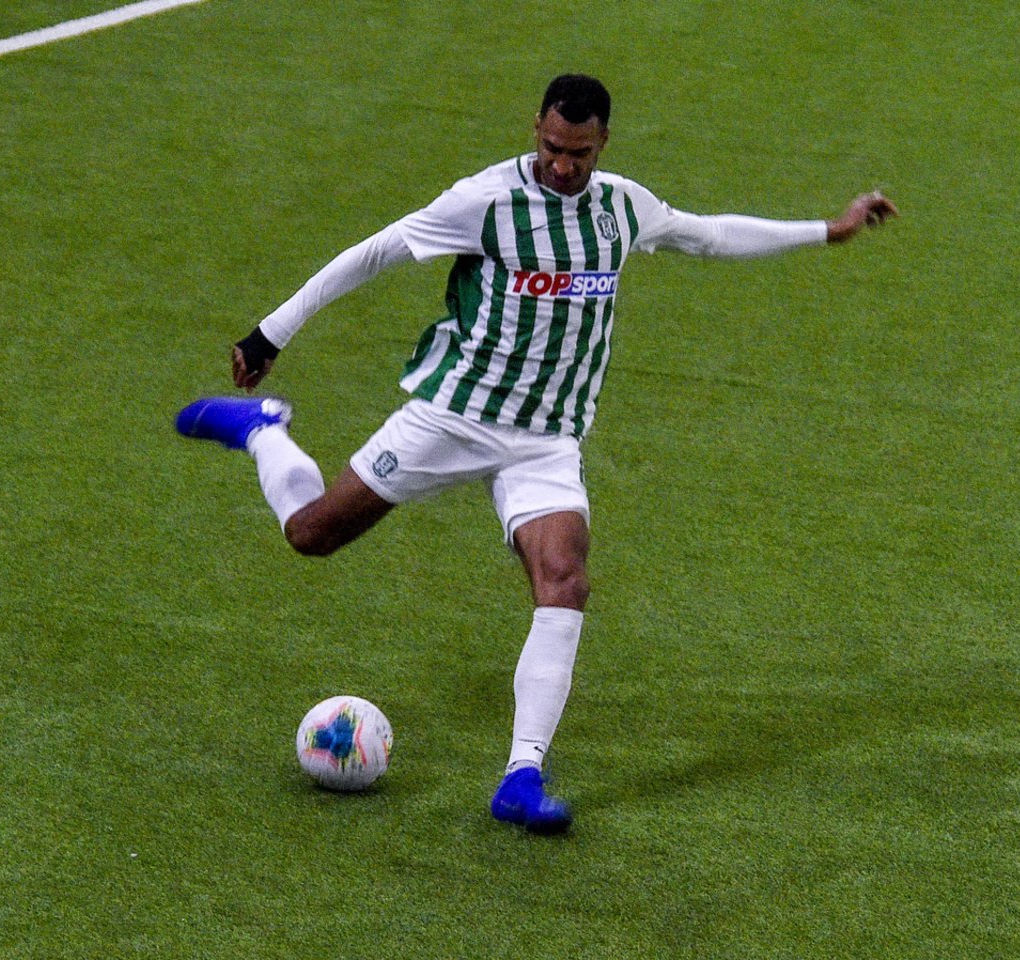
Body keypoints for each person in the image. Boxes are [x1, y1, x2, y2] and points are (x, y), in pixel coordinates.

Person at [175, 74, 896, 833]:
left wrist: (829, 229)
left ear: (603, 142)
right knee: (312, 534)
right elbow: (376, 252)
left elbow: (708, 234)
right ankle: (264, 430)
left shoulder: (622, 208)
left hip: (547, 439)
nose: (561, 164)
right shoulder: (486, 201)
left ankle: (522, 776)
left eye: (578, 153)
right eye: (552, 147)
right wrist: (270, 333)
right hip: (453, 418)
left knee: (565, 581)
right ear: (536, 130)